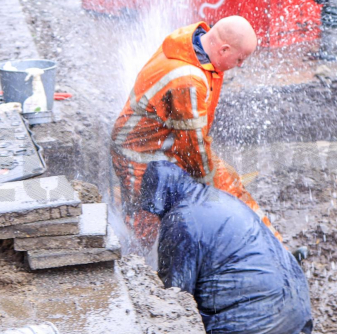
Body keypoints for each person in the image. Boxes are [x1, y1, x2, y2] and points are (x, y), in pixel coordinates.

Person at [139, 161, 324, 334]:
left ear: (159, 199)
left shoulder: (180, 220)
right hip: (294, 301)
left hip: (262, 314)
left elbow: (176, 303)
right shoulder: (217, 196)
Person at [110, 16, 281, 251]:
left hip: (164, 143)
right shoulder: (188, 79)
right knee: (147, 217)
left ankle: (277, 249)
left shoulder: (195, 42)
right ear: (223, 49)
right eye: (240, 58)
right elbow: (192, 149)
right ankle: (136, 270)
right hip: (139, 153)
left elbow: (192, 141)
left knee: (227, 184)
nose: (240, 65)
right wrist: (210, 187)